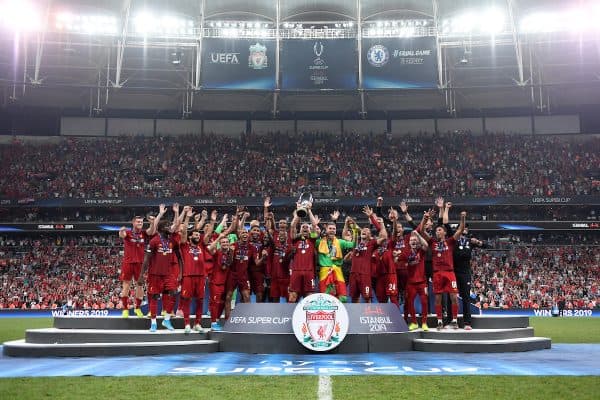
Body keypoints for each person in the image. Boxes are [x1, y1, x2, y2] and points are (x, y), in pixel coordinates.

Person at [419, 209, 466, 330]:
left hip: (450, 273)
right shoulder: (432, 242)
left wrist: (462, 218)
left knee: (454, 297)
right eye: (436, 230)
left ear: (444, 232)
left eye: (439, 230)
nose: (437, 232)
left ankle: (455, 321)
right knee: (438, 298)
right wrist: (425, 219)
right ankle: (439, 321)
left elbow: (460, 230)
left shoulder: (450, 242)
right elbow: (421, 231)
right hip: (437, 274)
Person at [118, 204, 165, 318]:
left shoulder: (143, 233)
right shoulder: (128, 233)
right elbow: (122, 235)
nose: (140, 224)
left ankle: (137, 308)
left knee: (140, 286)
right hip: (128, 263)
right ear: (133, 223)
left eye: (141, 222)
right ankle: (125, 309)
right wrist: (121, 231)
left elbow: (152, 231)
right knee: (126, 286)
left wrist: (153, 221)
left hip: (140, 264)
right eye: (138, 222)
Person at [138, 219, 183, 332]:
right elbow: (146, 260)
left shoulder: (173, 241)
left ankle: (166, 320)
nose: (170, 227)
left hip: (168, 274)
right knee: (154, 298)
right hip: (154, 275)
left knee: (173, 293)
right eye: (167, 225)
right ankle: (153, 323)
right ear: (161, 228)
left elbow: (179, 257)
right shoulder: (154, 241)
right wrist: (141, 275)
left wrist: (182, 272)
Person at [349, 206, 387, 303]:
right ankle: (356, 317)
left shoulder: (372, 243)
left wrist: (371, 217)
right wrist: (349, 224)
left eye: (367, 231)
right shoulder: (355, 242)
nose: (364, 231)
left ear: (370, 235)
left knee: (367, 298)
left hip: (365, 275)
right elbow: (346, 233)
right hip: (353, 274)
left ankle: (367, 316)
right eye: (363, 230)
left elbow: (384, 236)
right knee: (354, 298)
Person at [315, 211, 354, 301]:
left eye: (334, 229)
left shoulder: (340, 242)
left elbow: (353, 244)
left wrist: (354, 229)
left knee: (343, 297)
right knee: (325, 297)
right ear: (326, 229)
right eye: (330, 228)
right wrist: (314, 226)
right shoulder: (319, 242)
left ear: (336, 231)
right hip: (324, 271)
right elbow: (313, 236)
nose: (332, 230)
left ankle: (340, 314)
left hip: (338, 271)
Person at [179, 207, 207, 334]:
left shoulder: (201, 245)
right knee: (186, 300)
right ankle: (186, 324)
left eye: (198, 234)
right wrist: (187, 216)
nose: (197, 236)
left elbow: (207, 232)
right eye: (195, 234)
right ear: (190, 237)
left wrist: (206, 219)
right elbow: (184, 231)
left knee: (200, 300)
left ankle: (197, 323)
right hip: (188, 276)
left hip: (201, 277)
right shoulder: (185, 246)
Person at [288, 208, 319, 303]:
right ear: (299, 230)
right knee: (293, 296)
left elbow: (314, 225)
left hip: (309, 272)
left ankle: (307, 317)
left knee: (309, 298)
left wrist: (309, 210)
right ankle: (291, 316)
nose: (305, 228)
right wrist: (299, 211)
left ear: (310, 231)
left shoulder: (312, 240)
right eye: (303, 227)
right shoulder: (295, 240)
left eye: (307, 227)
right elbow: (292, 225)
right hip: (296, 271)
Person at [404, 231, 430, 330]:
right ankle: (414, 323)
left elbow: (426, 245)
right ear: (409, 242)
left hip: (422, 282)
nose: (413, 241)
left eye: (415, 240)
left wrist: (418, 235)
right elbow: (400, 261)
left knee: (424, 302)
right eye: (411, 240)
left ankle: (424, 323)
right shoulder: (406, 252)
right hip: (411, 283)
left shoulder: (421, 251)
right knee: (410, 302)